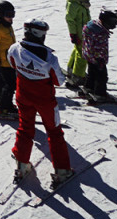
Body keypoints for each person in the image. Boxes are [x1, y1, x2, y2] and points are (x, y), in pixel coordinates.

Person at [8, 18, 74, 188]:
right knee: (54, 132)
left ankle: (21, 165)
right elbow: (59, 81)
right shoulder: (49, 58)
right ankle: (62, 170)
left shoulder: (14, 48)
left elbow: (12, 64)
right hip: (45, 101)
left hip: (23, 96)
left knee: (25, 128)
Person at [80, 9, 117, 102]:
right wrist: (100, 60)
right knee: (101, 76)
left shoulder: (92, 26)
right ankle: (100, 94)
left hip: (89, 55)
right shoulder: (100, 33)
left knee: (92, 73)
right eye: (112, 25)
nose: (113, 28)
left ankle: (88, 88)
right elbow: (99, 48)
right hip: (98, 58)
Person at [63, 0, 92, 82]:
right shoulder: (73, 4)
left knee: (78, 50)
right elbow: (70, 20)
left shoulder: (81, 1)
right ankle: (78, 76)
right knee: (83, 54)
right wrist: (73, 34)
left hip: (85, 31)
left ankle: (71, 69)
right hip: (79, 33)